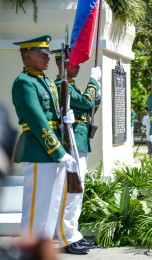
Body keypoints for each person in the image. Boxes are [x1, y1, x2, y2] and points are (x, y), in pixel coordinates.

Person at [11, 35, 77, 242]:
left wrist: (67, 118)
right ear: (27, 55)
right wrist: (59, 152)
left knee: (51, 205)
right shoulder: (24, 83)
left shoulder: (45, 81)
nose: (48, 59)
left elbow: (53, 117)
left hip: (53, 152)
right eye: (43, 54)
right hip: (39, 151)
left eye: (48, 54)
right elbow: (38, 123)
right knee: (38, 208)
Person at [53, 49, 101, 254]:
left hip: (79, 142)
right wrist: (93, 82)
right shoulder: (61, 86)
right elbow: (85, 102)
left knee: (77, 192)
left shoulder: (72, 87)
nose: (79, 66)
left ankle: (73, 233)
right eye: (75, 63)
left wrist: (95, 96)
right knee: (71, 191)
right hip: (70, 143)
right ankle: (67, 237)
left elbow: (88, 107)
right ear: (63, 64)